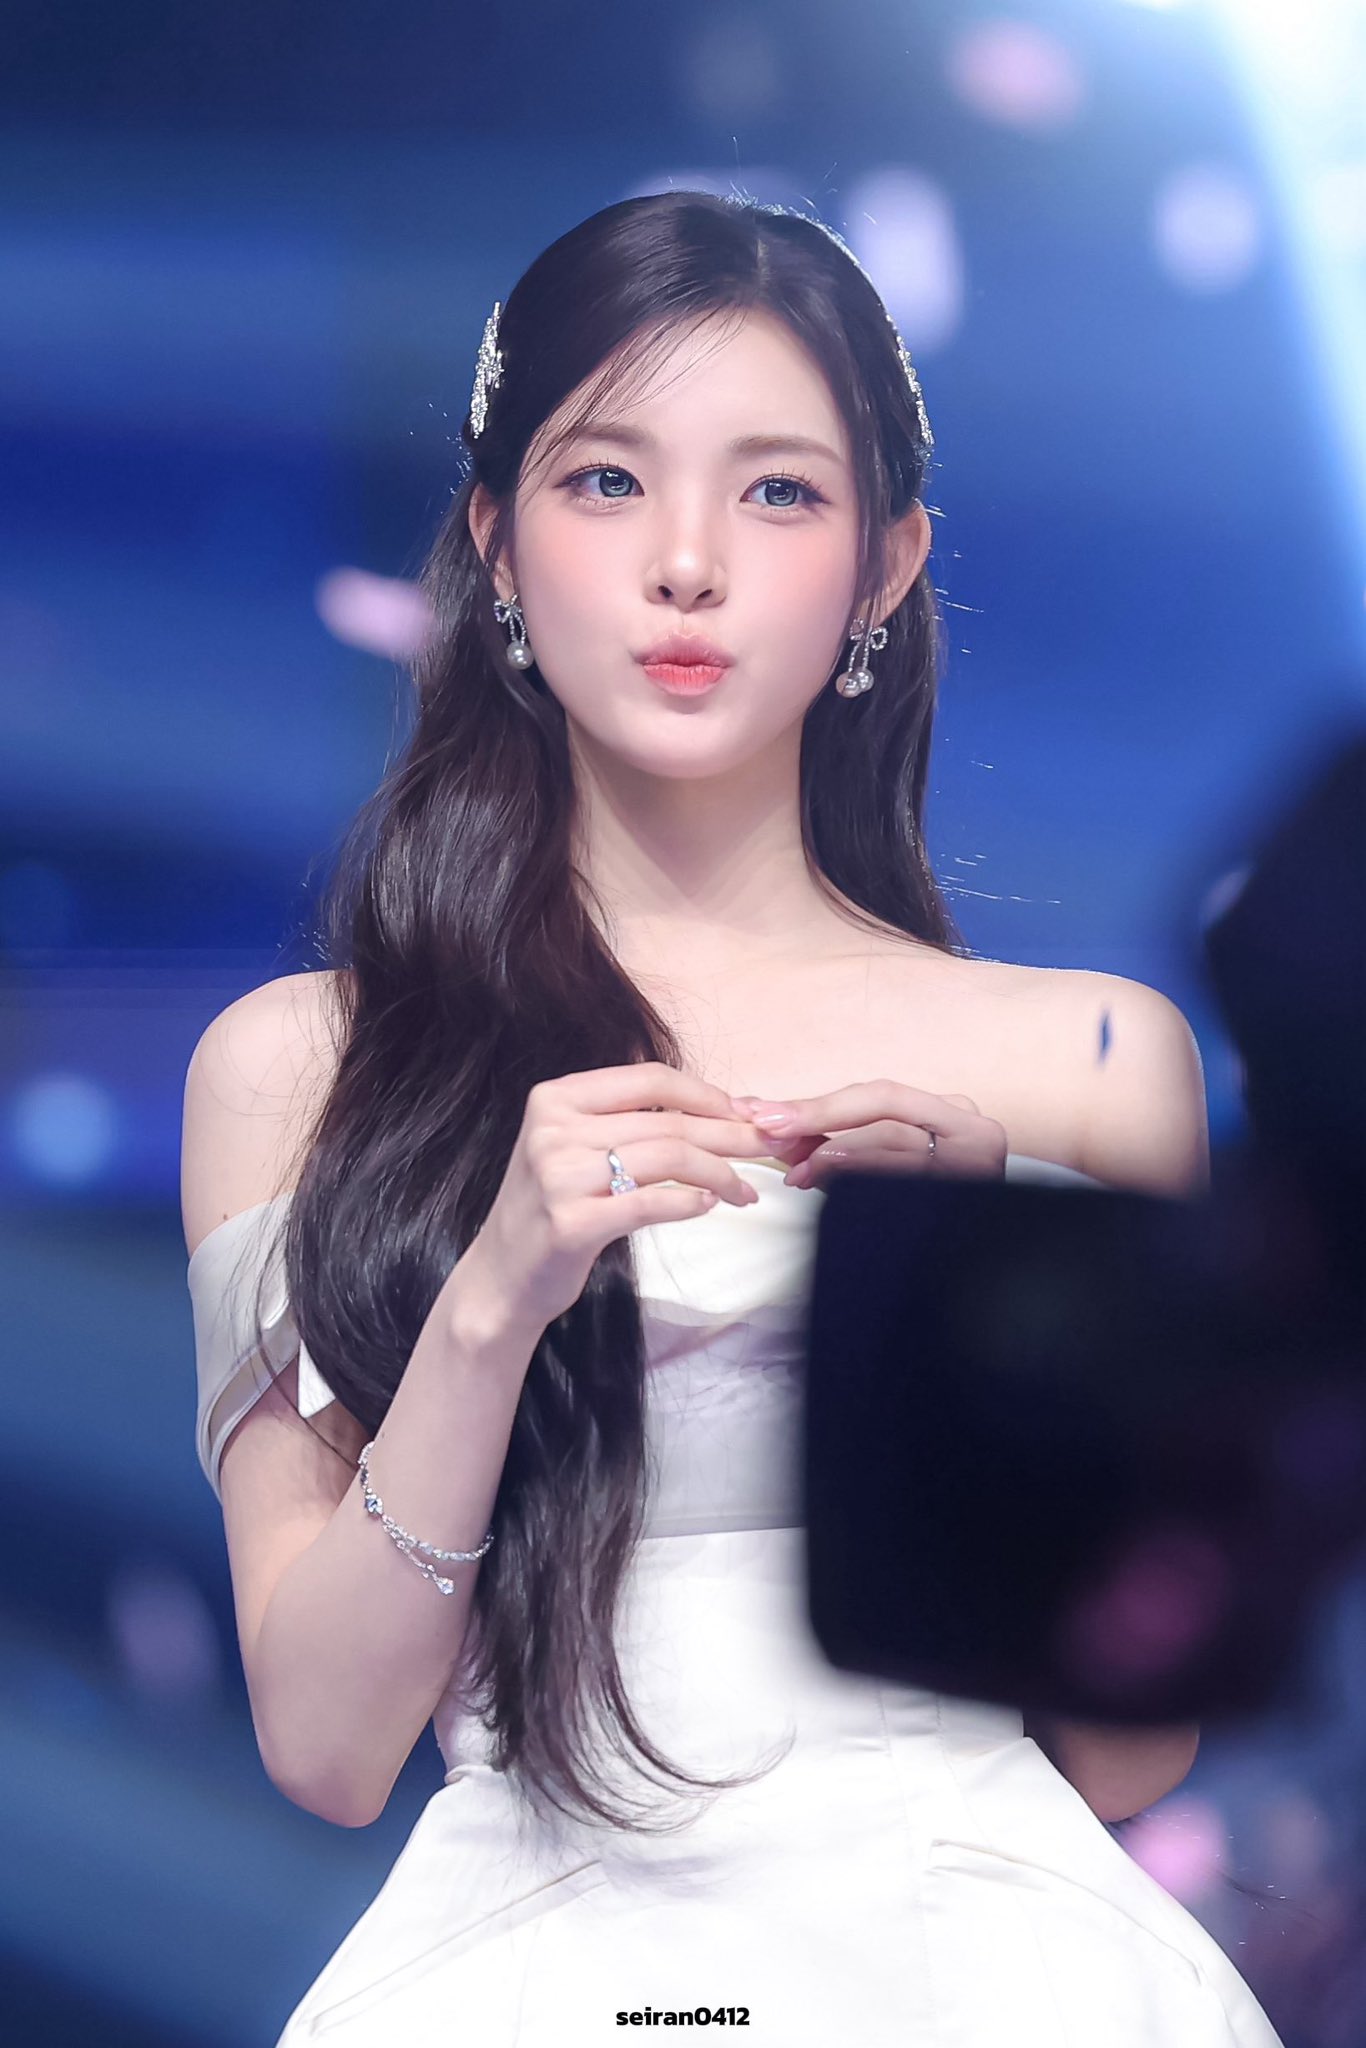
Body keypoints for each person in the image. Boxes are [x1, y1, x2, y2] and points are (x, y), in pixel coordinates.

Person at [183, 191, 1285, 2045]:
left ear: (884, 564)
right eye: (607, 481)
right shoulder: (303, 1070)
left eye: (776, 491)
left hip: (990, 1969)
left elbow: (1127, 1754)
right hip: (526, 1966)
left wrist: (967, 1312)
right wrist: (492, 1300)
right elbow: (327, 1744)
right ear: (495, 541)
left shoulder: (1088, 1065)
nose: (685, 562)